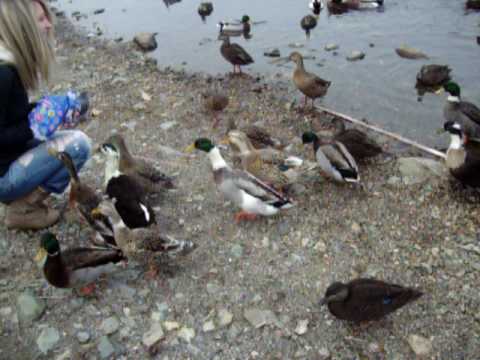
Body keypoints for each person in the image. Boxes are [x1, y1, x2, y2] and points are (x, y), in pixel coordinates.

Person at [0, 0, 91, 230]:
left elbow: (10, 116)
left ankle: (21, 199)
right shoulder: (3, 73)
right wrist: (33, 128)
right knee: (78, 145)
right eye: (41, 19)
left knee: (64, 135)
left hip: (9, 158)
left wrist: (45, 111)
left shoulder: (8, 62)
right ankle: (23, 209)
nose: (49, 24)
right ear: (23, 27)